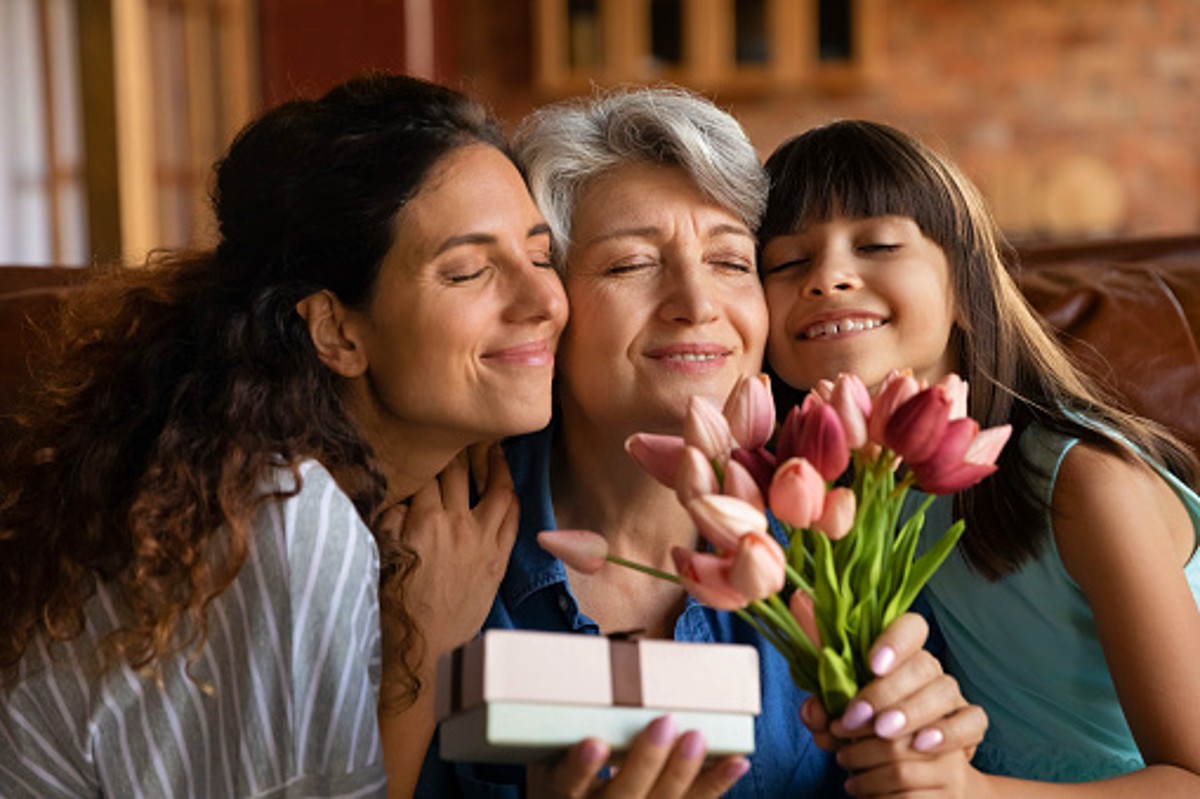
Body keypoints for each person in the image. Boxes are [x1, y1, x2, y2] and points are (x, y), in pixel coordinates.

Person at [0, 73, 568, 798]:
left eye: (540, 255)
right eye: (466, 271)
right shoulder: (281, 518)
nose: (545, 300)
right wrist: (420, 653)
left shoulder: (286, 484)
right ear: (335, 329)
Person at [417, 88, 987, 799]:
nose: (697, 302)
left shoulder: (845, 545)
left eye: (730, 261)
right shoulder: (436, 550)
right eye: (630, 264)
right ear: (548, 307)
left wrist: (933, 774)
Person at [758, 119, 1200, 794]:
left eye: (876, 243)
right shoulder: (839, 489)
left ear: (965, 288)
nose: (828, 277)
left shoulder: (1082, 482)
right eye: (787, 262)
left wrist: (977, 791)